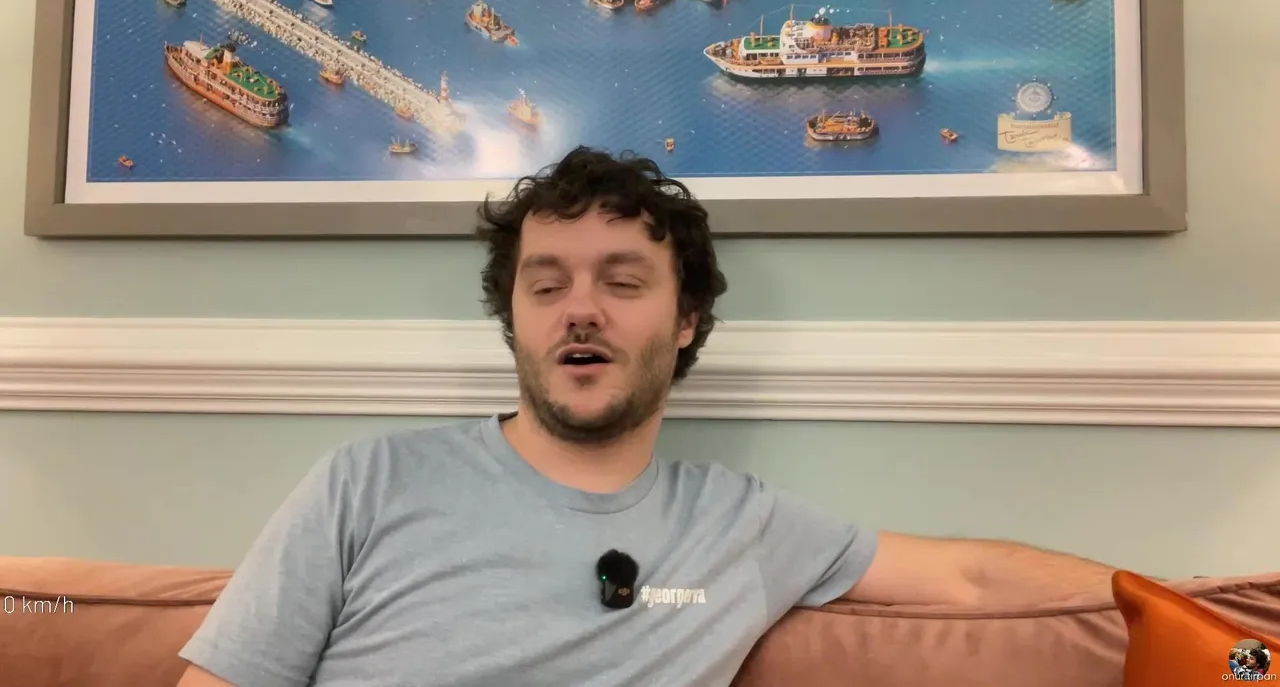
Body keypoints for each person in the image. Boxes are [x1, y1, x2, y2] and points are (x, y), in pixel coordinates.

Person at [176, 146, 1120, 687]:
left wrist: (1190, 621)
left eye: (622, 283)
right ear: (514, 317)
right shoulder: (365, 484)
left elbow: (969, 576)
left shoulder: (740, 525)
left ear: (686, 320)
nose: (580, 310)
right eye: (547, 285)